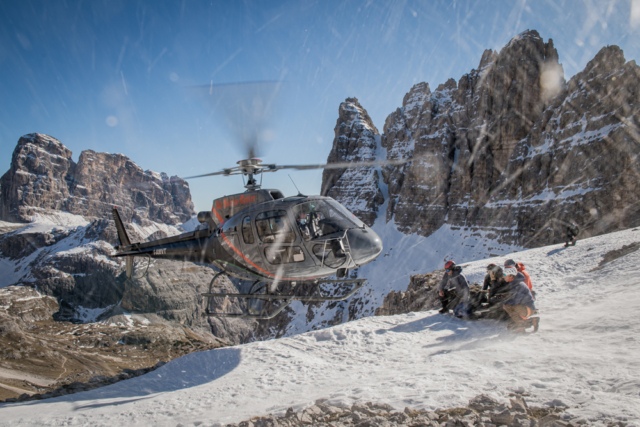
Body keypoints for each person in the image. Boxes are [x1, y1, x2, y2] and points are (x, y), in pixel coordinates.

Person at [502, 266, 537, 333]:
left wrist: (505, 303)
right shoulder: (514, 284)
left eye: (504, 275)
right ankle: (532, 320)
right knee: (510, 327)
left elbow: (515, 301)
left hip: (528, 309)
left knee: (507, 306)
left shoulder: (519, 285)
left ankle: (521, 327)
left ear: (511, 276)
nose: (503, 277)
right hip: (523, 308)